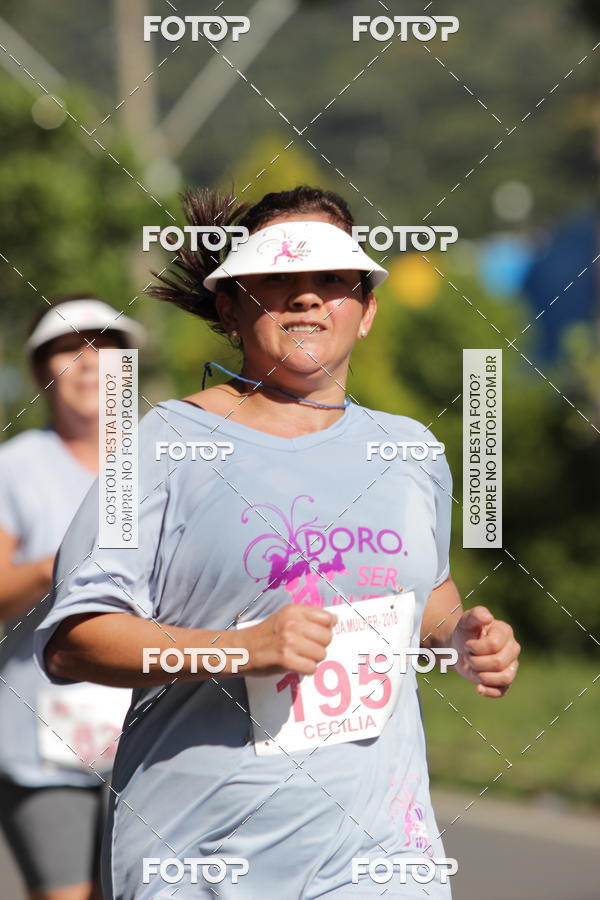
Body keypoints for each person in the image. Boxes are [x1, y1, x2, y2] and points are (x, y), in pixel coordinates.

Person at [34, 186, 521, 899]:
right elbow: (73, 641)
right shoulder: (160, 446)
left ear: (367, 310)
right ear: (230, 308)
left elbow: (427, 595)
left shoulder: (410, 451)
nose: (307, 297)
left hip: (382, 859)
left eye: (332, 278)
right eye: (278, 278)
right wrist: (242, 649)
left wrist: (461, 638)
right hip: (203, 861)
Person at [0, 296, 145, 900]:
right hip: (41, 743)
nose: (89, 363)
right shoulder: (14, 467)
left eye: (105, 348)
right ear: (41, 371)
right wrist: (59, 562)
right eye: (68, 349)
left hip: (149, 735)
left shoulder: (163, 462)